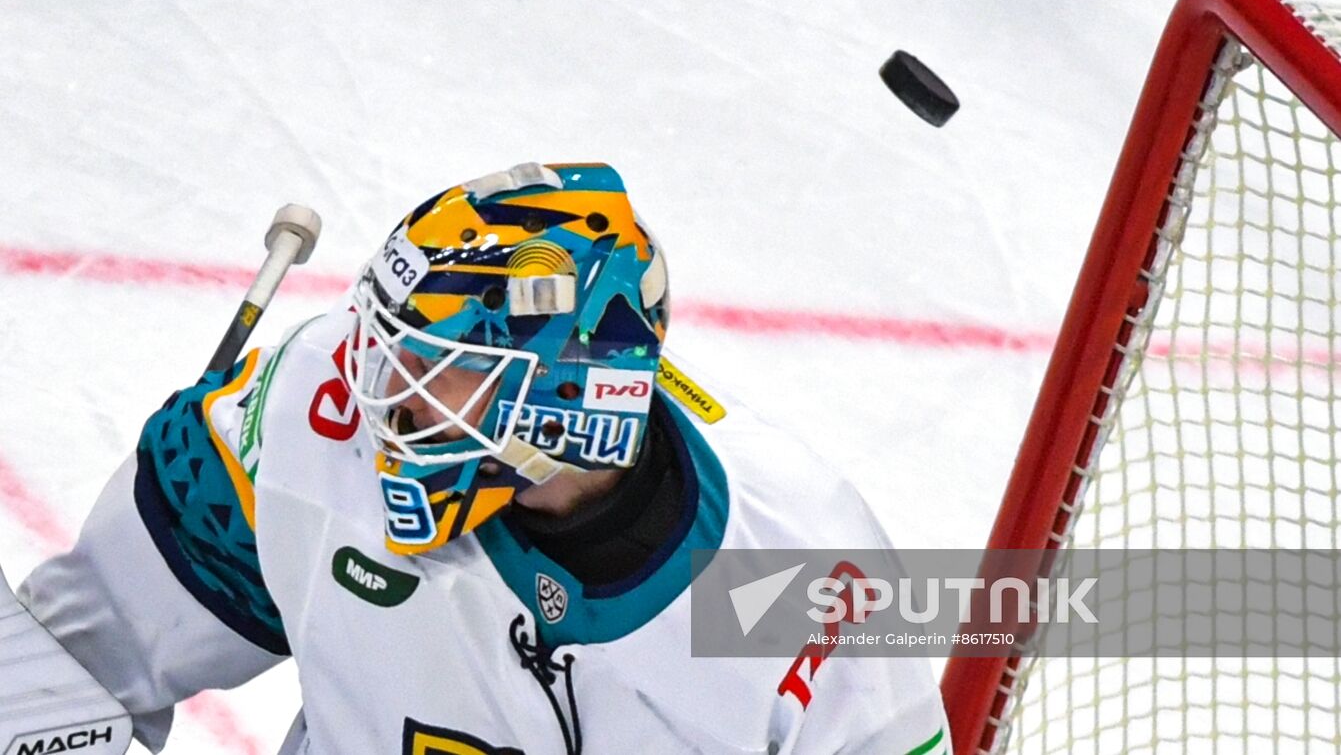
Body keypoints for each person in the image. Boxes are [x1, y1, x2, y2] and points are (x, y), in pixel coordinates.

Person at [11, 162, 951, 754]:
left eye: (440, 369)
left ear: (573, 395)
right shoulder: (316, 405)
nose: (377, 392)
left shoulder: (806, 573)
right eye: (386, 347)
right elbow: (82, 661)